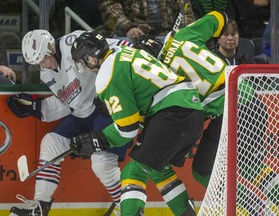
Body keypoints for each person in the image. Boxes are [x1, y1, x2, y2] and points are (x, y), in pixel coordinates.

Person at [70, 32, 204, 215]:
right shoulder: (126, 52)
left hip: (171, 113)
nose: (85, 67)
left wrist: (97, 139)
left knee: (133, 172)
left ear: (91, 58)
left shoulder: (107, 74)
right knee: (159, 170)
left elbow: (127, 130)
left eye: (83, 62)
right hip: (192, 109)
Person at [7, 29, 130, 216]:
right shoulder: (46, 73)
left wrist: (112, 89)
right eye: (37, 63)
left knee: (102, 163)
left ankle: (129, 208)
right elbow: (69, 102)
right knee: (51, 142)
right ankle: (40, 205)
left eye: (43, 59)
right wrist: (36, 107)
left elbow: (116, 48)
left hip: (106, 108)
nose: (43, 65)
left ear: (51, 46)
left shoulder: (74, 42)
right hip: (82, 115)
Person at [157, 10, 228, 188]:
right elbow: (221, 16)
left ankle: (254, 209)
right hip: (247, 97)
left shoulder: (161, 75)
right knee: (253, 168)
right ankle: (259, 209)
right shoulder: (183, 35)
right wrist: (211, 38)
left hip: (228, 111)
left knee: (204, 173)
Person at [97, 0, 195, 41]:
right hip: (134, 36)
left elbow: (185, 9)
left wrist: (184, 32)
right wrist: (128, 28)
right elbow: (108, 7)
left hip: (170, 36)